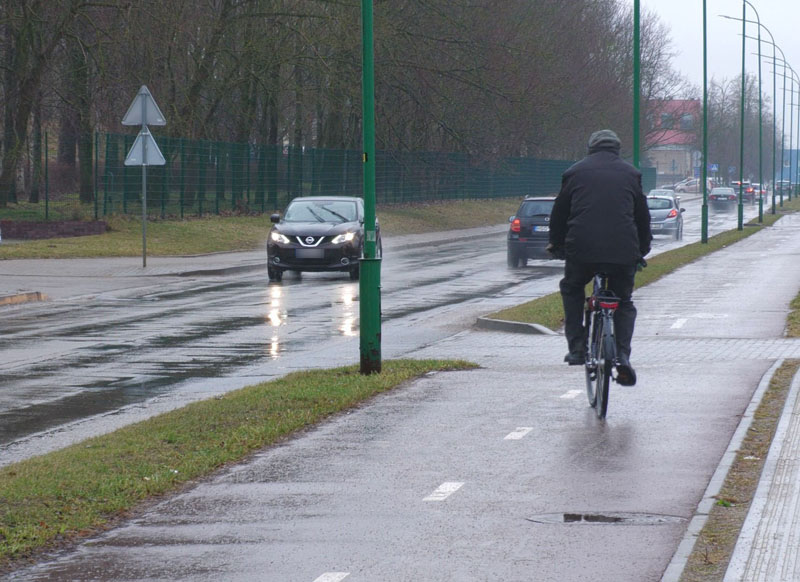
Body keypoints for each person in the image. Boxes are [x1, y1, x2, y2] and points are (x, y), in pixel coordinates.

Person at [546, 129, 652, 386]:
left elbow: (559, 214)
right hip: (623, 251)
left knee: (571, 288)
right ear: (617, 149)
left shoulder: (574, 173)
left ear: (590, 148)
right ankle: (623, 357)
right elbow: (642, 217)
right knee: (624, 302)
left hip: (581, 250)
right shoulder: (631, 174)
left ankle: (577, 348)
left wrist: (557, 245)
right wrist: (642, 249)